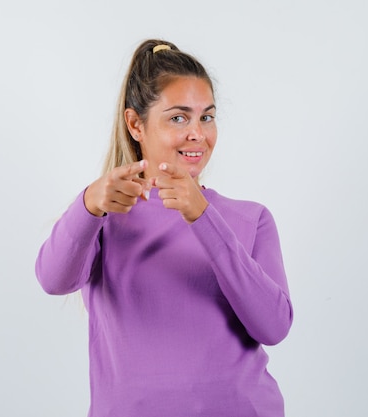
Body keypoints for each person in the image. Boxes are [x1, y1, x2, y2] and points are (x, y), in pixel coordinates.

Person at [35, 39, 293, 417]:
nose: (197, 134)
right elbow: (52, 279)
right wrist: (88, 203)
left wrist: (203, 218)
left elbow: (274, 327)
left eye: (206, 116)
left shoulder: (250, 218)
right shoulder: (104, 218)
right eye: (178, 117)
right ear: (136, 124)